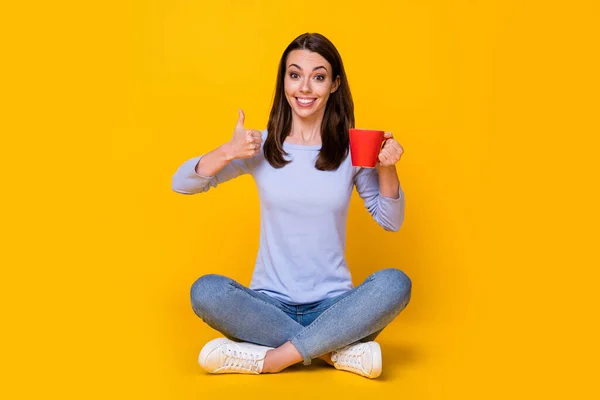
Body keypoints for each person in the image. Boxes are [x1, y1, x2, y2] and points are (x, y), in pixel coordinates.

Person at [171, 32, 411, 379]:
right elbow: (181, 183)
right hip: (267, 306)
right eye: (295, 74)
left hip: (335, 307)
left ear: (334, 84)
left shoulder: (350, 150)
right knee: (206, 291)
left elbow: (390, 220)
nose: (305, 88)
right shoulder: (261, 147)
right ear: (283, 80)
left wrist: (387, 166)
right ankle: (333, 352)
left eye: (318, 77)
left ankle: (271, 360)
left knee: (395, 284)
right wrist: (228, 151)